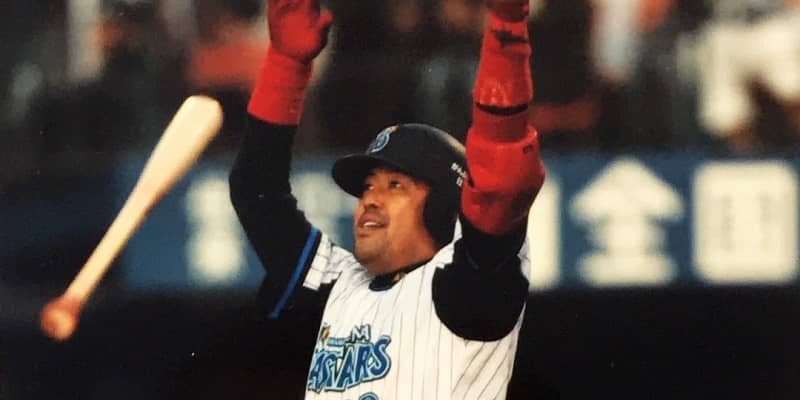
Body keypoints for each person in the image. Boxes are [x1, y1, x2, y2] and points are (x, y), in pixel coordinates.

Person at [228, 0, 545, 398]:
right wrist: (285, 65)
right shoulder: (340, 285)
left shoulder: (464, 289)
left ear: (443, 206)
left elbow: (501, 181)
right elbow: (257, 192)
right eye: (367, 186)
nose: (370, 200)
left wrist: (507, 31)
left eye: (395, 185)